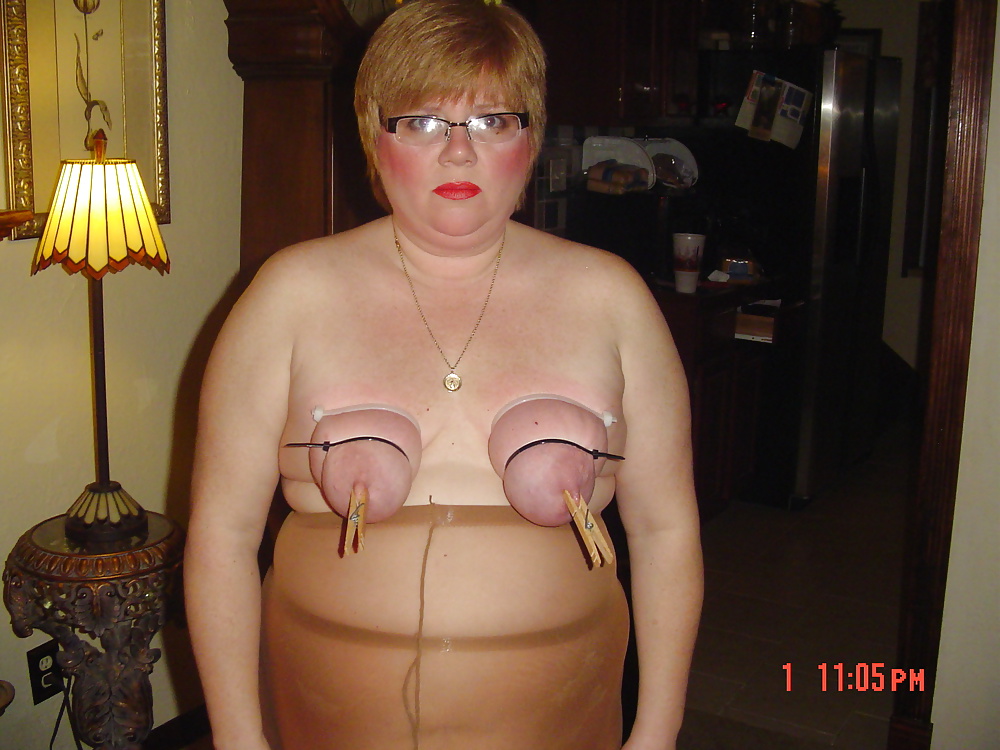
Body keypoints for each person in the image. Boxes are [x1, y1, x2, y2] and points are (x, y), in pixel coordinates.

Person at [184, 1, 703, 748]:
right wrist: (239, 741)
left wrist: (656, 733)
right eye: (424, 122)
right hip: (322, 720)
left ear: (531, 140)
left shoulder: (611, 297)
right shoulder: (290, 294)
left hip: (564, 720)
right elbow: (221, 538)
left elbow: (666, 530)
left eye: (492, 120)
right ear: (374, 134)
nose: (459, 153)